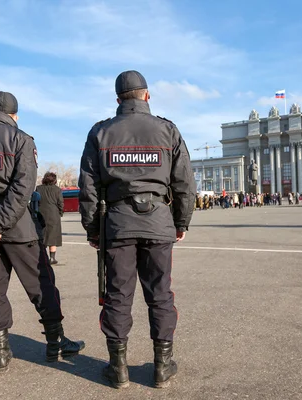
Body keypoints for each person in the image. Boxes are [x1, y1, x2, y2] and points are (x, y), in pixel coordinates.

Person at [0, 91, 84, 374]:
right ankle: (55, 342)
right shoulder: (21, 139)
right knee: (41, 284)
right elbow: (22, 189)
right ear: (14, 115)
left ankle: (1, 352)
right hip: (18, 227)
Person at [78, 71, 195, 389]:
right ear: (147, 95)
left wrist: (92, 230)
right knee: (160, 296)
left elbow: (88, 188)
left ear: (118, 100)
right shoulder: (167, 130)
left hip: (117, 224)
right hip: (158, 222)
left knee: (118, 296)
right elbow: (184, 182)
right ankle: (162, 366)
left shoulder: (100, 132)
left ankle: (118, 370)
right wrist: (181, 222)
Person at [36, 171, 64, 265]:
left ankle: (42, 257)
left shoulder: (38, 188)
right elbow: (60, 203)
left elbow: (35, 202)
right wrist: (60, 212)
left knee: (41, 236)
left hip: (41, 214)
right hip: (54, 214)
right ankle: (52, 258)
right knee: (53, 237)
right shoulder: (57, 190)